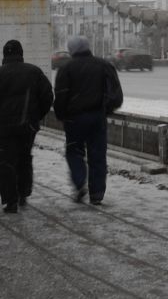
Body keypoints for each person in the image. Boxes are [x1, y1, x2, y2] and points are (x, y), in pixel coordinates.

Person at [0, 38, 54, 213]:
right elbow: (48, 95)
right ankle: (23, 192)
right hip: (27, 127)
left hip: (4, 127)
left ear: (4, 55)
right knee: (24, 158)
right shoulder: (34, 72)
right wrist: (37, 115)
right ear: (21, 54)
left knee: (5, 162)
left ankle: (10, 201)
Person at [52, 36, 123, 205]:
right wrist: (106, 109)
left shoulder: (66, 68)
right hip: (97, 116)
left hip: (74, 119)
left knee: (74, 151)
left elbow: (61, 95)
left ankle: (79, 183)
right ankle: (97, 193)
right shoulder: (104, 65)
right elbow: (116, 92)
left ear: (72, 50)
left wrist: (61, 115)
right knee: (97, 155)